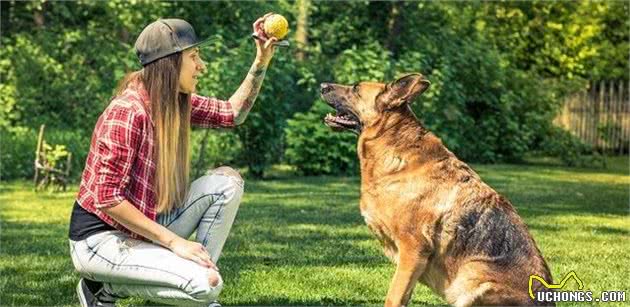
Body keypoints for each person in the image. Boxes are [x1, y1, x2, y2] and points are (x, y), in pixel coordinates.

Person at [68, 14, 279, 307]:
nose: (201, 67)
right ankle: (102, 287)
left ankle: (195, 275)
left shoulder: (173, 102)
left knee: (226, 183)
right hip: (100, 240)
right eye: (194, 57)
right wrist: (174, 242)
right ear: (170, 63)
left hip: (143, 226)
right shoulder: (127, 112)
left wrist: (261, 61)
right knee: (206, 288)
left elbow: (233, 113)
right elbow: (107, 199)